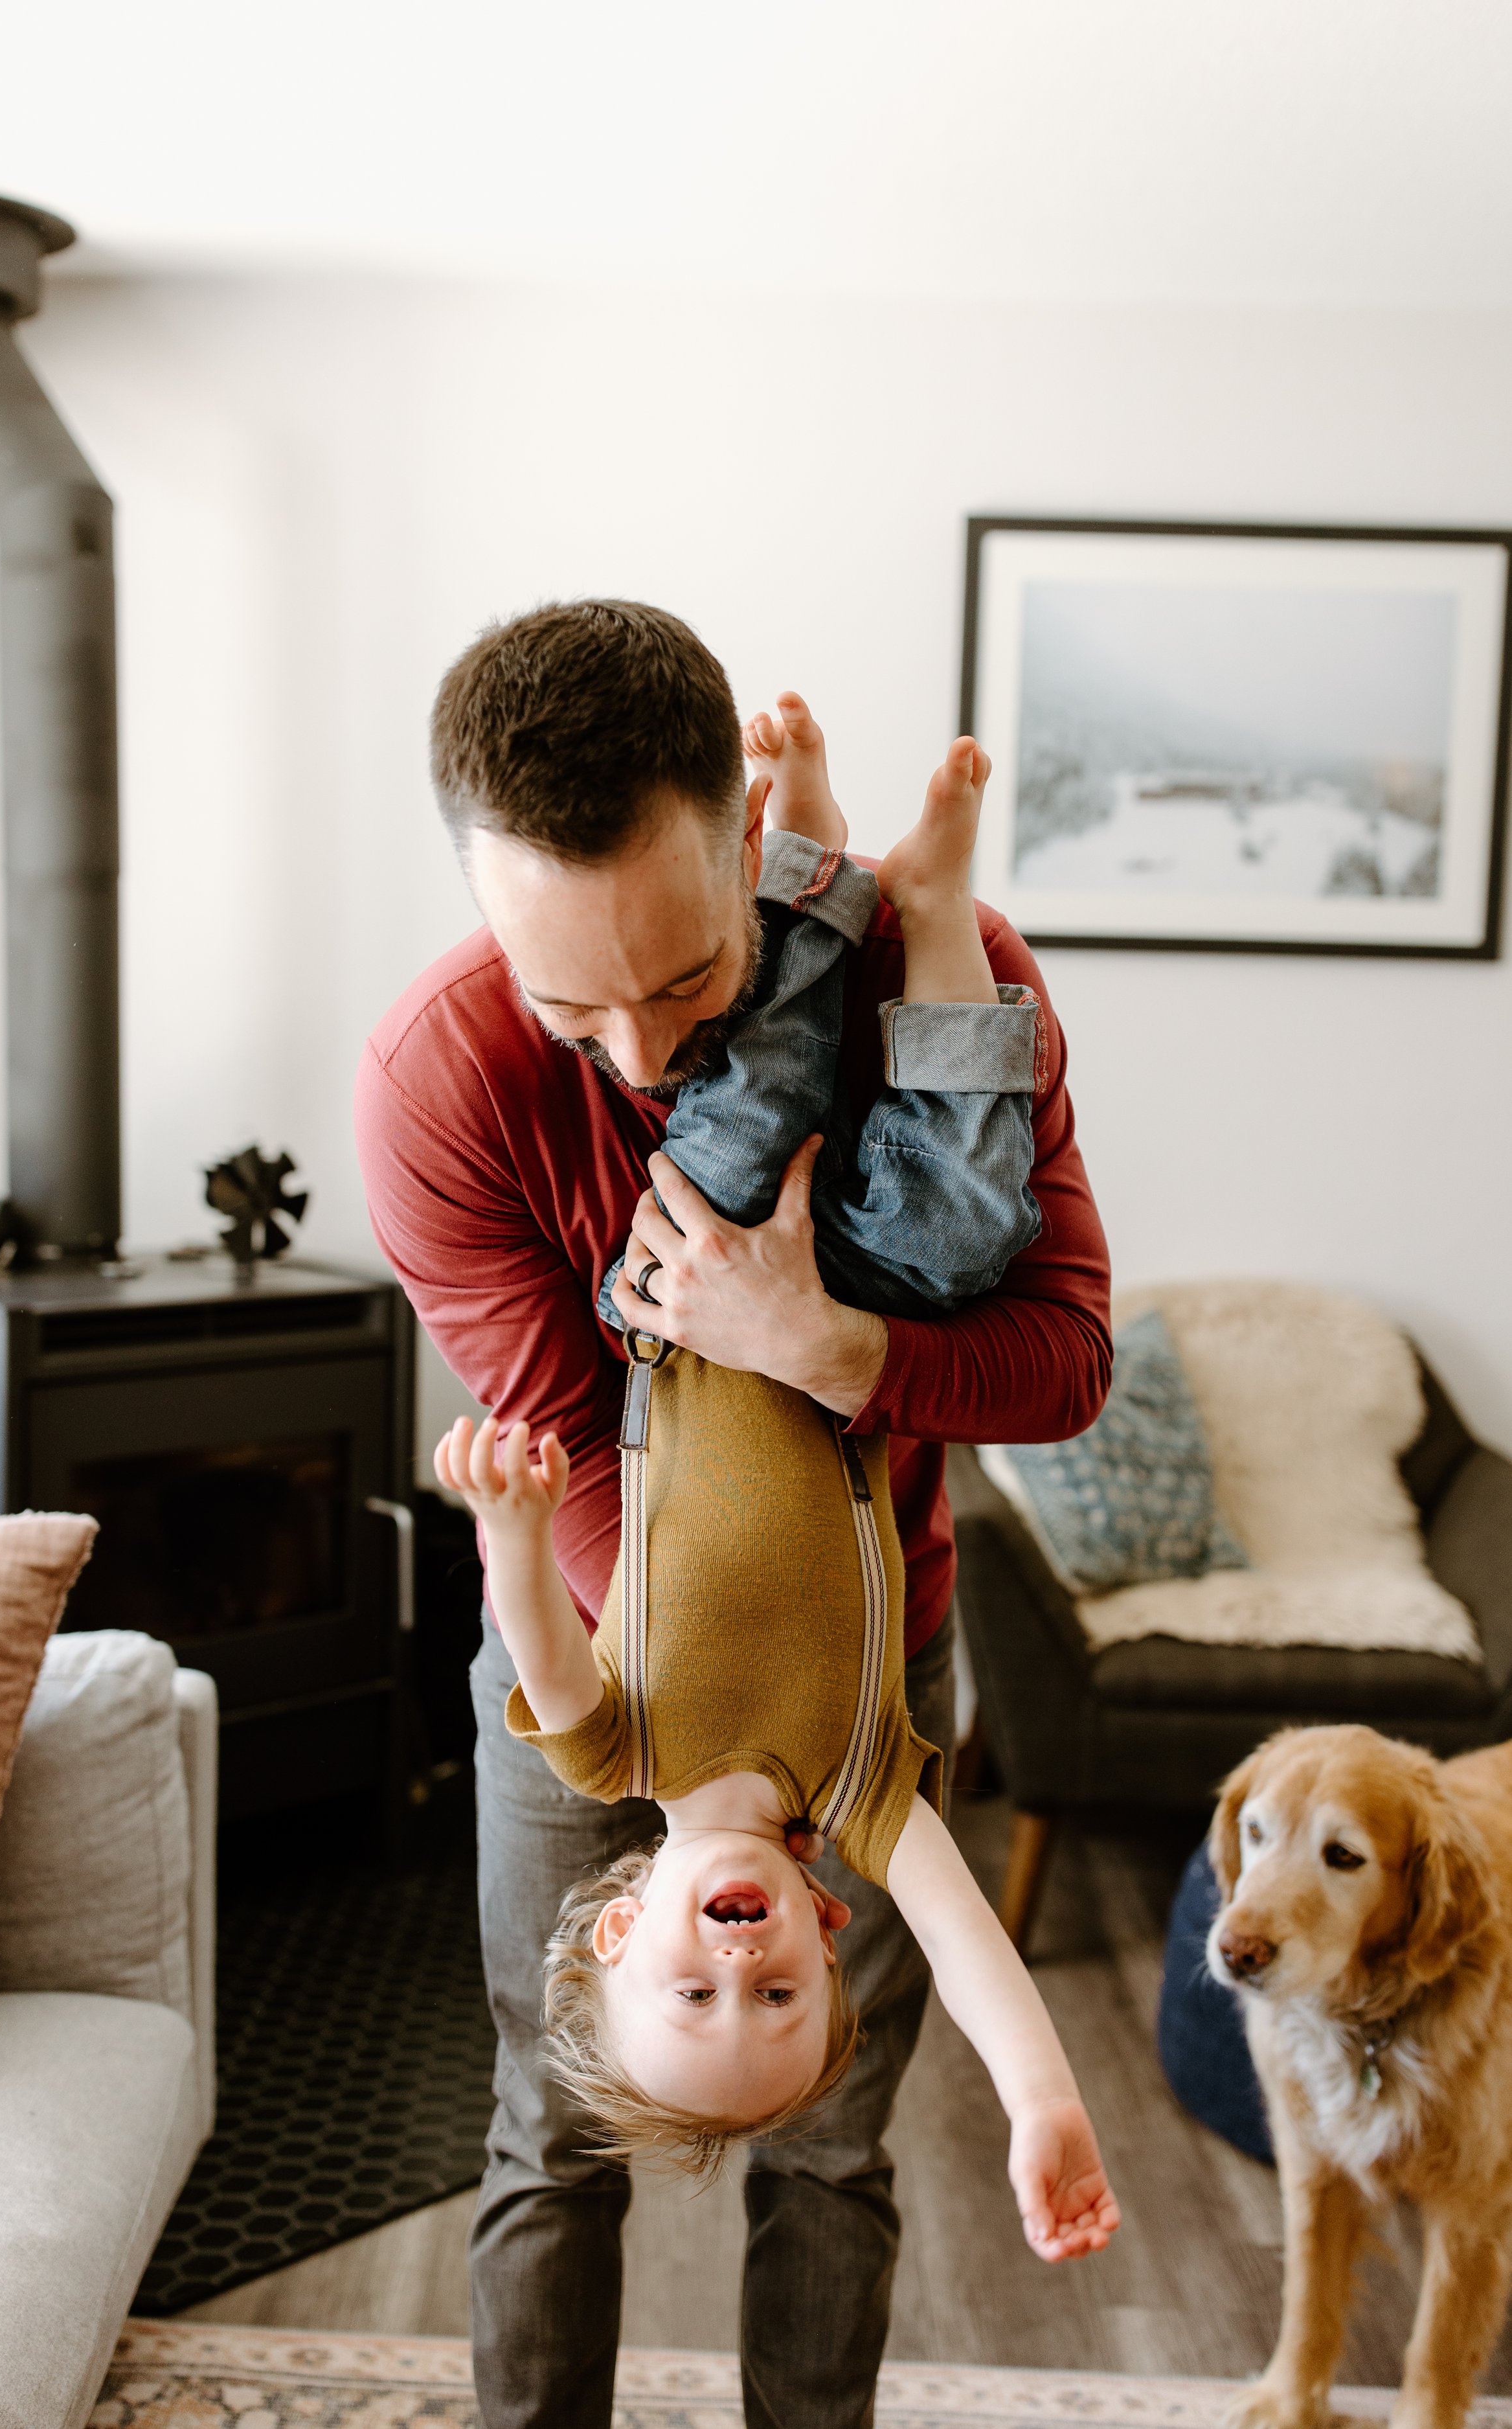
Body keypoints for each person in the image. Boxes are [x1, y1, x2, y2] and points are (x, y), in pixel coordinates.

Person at [355, 599, 1114, 2429]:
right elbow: (566, 1451)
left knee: (830, 2146)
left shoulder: (951, 990)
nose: (629, 1057)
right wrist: (656, 1703)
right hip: (602, 1631)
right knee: (553, 2122)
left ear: (754, 847)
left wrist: (830, 1348)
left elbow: (1061, 1365)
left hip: (877, 1635)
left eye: (689, 984)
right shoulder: (439, 1079)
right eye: (567, 1004)